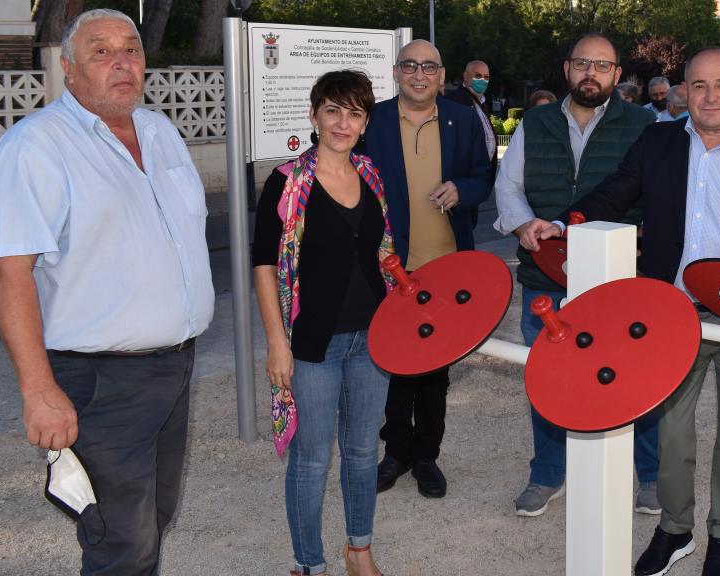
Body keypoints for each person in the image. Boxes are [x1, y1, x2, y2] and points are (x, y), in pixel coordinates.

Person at [520, 46, 720, 575]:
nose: (709, 96)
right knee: (672, 432)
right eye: (698, 85)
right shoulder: (656, 143)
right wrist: (563, 225)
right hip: (669, 316)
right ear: (683, 91)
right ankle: (675, 529)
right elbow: (611, 196)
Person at [0, 9, 214, 575]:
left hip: (175, 368)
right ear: (69, 69)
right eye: (101, 51)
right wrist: (38, 390)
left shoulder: (160, 132)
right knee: (120, 542)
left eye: (131, 49)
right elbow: (6, 270)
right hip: (99, 382)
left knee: (151, 523)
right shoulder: (36, 146)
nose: (122, 62)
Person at [494, 32, 658, 518]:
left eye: (603, 66)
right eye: (583, 63)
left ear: (617, 74)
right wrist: (524, 224)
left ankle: (650, 475)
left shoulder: (643, 124)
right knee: (547, 378)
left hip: (617, 279)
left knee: (635, 376)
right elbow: (509, 184)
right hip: (545, 278)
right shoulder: (536, 121)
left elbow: (655, 194)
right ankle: (548, 474)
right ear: (567, 69)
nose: (592, 73)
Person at [252, 70, 391, 576]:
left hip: (374, 337)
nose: (342, 122)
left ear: (365, 122)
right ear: (314, 115)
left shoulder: (372, 175)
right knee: (311, 459)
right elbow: (265, 264)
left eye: (354, 113)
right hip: (313, 342)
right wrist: (275, 342)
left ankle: (359, 552)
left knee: (359, 450)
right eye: (333, 110)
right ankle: (309, 565)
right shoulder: (287, 183)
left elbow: (384, 254)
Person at [361, 39, 492, 499]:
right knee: (394, 365)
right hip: (390, 268)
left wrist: (462, 188)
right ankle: (395, 452)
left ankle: (427, 457)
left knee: (436, 370)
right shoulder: (372, 120)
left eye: (429, 67)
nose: (420, 74)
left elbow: (483, 174)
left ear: (441, 75)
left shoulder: (462, 119)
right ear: (396, 73)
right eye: (410, 66)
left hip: (446, 269)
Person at [445, 60, 498, 182]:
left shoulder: (483, 103)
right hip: (461, 178)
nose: (483, 80)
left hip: (480, 175)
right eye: (478, 76)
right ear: (466, 76)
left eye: (486, 77)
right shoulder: (454, 100)